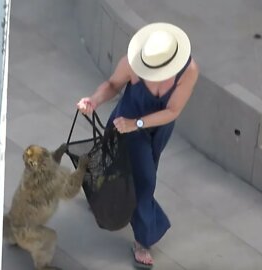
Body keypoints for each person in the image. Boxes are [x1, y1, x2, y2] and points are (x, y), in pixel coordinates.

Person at [77, 22, 199, 268]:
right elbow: (112, 85)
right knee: (145, 182)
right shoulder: (132, 62)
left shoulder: (189, 71)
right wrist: (94, 100)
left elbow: (173, 110)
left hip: (155, 128)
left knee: (125, 172)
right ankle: (144, 239)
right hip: (125, 125)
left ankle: (101, 198)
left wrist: (139, 123)